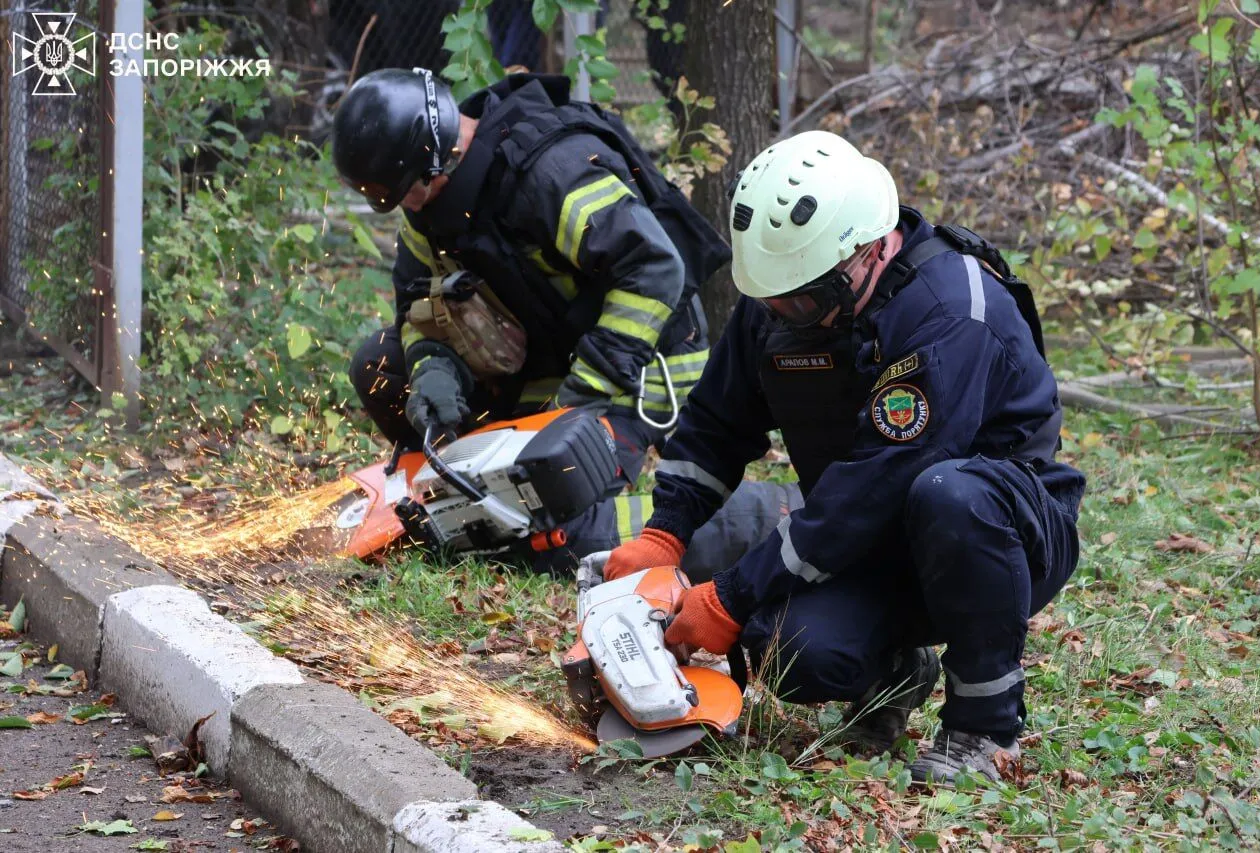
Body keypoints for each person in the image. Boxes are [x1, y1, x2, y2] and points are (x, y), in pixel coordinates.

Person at [603, 130, 1086, 783]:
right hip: (872, 534)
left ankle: (984, 728)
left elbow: (884, 481)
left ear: (865, 253)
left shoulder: (948, 309)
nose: (785, 313)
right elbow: (717, 424)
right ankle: (893, 674)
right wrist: (666, 532)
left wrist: (734, 591)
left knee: (949, 492)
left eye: (802, 299)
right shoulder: (782, 301)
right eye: (774, 298)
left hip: (1002, 532)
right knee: (788, 647)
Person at [330, 68, 799, 574]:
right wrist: (432, 374)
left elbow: (656, 271)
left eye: (407, 191)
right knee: (381, 367)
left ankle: (769, 516)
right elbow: (417, 304)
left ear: (435, 156)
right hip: (546, 360)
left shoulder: (550, 171)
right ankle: (453, 493)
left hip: (635, 369)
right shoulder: (428, 196)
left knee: (545, 526)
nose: (406, 206)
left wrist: (573, 405)